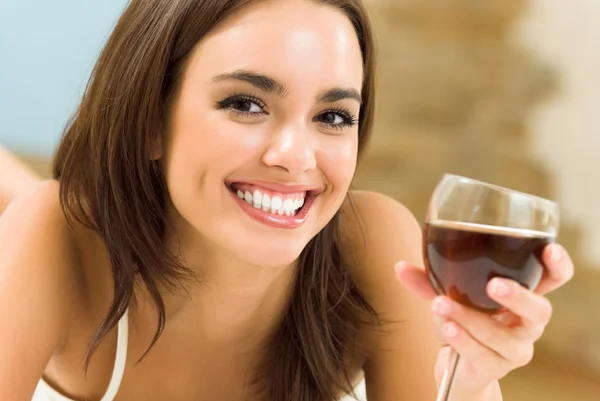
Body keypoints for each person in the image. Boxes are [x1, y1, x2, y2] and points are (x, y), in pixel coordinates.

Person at [0, 1, 574, 400]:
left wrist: (472, 383)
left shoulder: (372, 244)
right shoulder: (51, 234)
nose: (297, 157)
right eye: (246, 104)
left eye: (332, 116)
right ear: (149, 118)